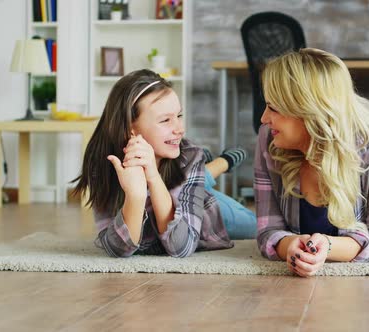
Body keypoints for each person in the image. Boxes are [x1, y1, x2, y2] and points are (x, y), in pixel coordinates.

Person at [254, 48, 369, 276]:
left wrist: (328, 247)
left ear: (308, 109)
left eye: (273, 107)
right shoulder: (269, 139)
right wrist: (289, 246)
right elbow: (268, 231)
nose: (263, 118)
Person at [73, 69, 256, 258]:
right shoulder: (104, 163)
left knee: (256, 227)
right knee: (192, 171)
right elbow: (118, 249)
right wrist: (135, 195)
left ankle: (222, 162)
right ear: (130, 129)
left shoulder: (189, 156)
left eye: (179, 116)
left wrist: (152, 176)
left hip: (203, 207)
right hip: (184, 176)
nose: (180, 129)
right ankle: (209, 168)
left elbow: (180, 247)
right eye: (165, 120)